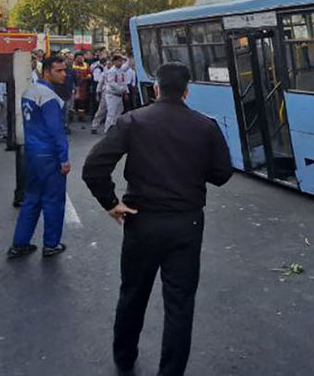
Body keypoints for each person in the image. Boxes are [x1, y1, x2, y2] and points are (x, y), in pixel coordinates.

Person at [82, 62, 232, 376]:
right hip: (186, 224)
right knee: (179, 304)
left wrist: (111, 203)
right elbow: (221, 174)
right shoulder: (205, 126)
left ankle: (124, 359)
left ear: (156, 89)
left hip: (141, 221)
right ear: (188, 91)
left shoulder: (133, 121)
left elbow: (94, 166)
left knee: (133, 294)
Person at [7, 56, 71, 258]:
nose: (64, 74)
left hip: (32, 153)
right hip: (48, 155)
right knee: (53, 200)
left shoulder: (29, 91)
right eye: (59, 71)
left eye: (64, 70)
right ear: (47, 73)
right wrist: (64, 158)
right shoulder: (49, 97)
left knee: (32, 199)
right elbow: (56, 131)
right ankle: (51, 244)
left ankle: (20, 243)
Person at [93, 55, 129, 134]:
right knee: (110, 113)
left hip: (119, 95)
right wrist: (97, 92)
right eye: (119, 61)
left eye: (121, 61)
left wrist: (126, 92)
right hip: (111, 94)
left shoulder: (121, 70)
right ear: (114, 62)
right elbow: (111, 83)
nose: (120, 63)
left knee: (119, 113)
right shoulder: (111, 71)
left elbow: (124, 82)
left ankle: (115, 129)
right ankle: (107, 130)